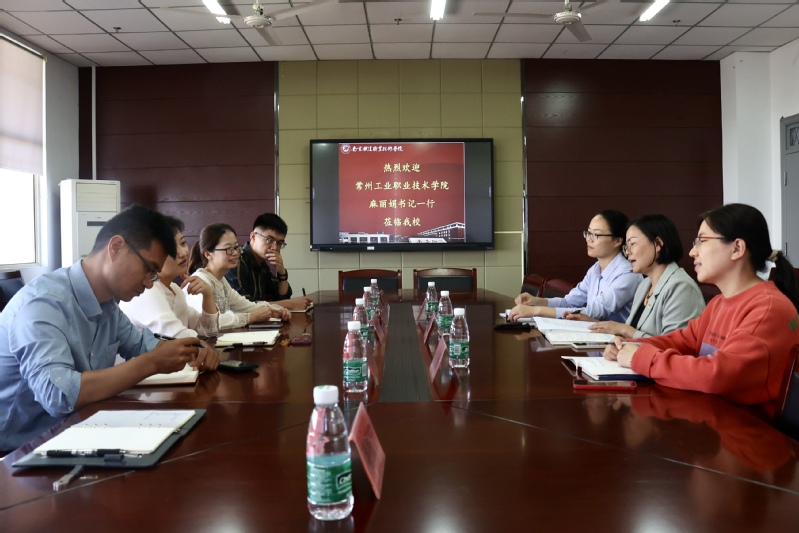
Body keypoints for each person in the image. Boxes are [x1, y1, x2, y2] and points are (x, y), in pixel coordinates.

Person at [0, 205, 219, 452]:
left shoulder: (108, 305)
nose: (149, 284)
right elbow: (58, 395)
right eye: (148, 270)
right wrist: (151, 363)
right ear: (116, 247)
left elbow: (143, 345)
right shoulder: (43, 304)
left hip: (77, 432)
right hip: (18, 452)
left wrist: (194, 349)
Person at [605, 203, 799, 416]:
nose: (692, 252)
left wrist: (641, 358)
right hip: (715, 416)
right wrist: (629, 346)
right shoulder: (718, 303)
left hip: (749, 428)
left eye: (701, 241)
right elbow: (681, 341)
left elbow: (717, 375)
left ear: (737, 248)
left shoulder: (768, 309)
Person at [509, 209, 641, 322]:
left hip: (616, 342)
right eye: (588, 233)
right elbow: (569, 302)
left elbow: (594, 312)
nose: (589, 239)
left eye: (596, 234)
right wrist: (537, 301)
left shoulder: (628, 274)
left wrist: (536, 311)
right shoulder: (595, 269)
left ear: (618, 241)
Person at [586, 214, 705, 338]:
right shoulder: (644, 285)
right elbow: (629, 336)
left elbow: (674, 346)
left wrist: (626, 330)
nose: (627, 252)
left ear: (658, 244)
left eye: (632, 244)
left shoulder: (681, 287)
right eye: (626, 246)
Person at [120, 215, 219, 339]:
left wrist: (208, 294)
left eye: (183, 243)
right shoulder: (144, 290)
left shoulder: (175, 289)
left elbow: (209, 331)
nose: (183, 253)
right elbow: (176, 336)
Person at [187, 223, 290, 329]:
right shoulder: (200, 280)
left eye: (236, 247)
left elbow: (247, 306)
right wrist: (250, 317)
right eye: (229, 249)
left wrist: (275, 310)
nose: (236, 253)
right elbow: (208, 323)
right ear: (208, 254)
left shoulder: (221, 280)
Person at [225, 213, 312, 311]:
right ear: (253, 236)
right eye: (269, 240)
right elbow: (242, 306)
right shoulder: (237, 261)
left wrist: (282, 272)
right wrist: (290, 304)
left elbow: (280, 298)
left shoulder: (262, 264)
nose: (274, 248)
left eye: (279, 243)